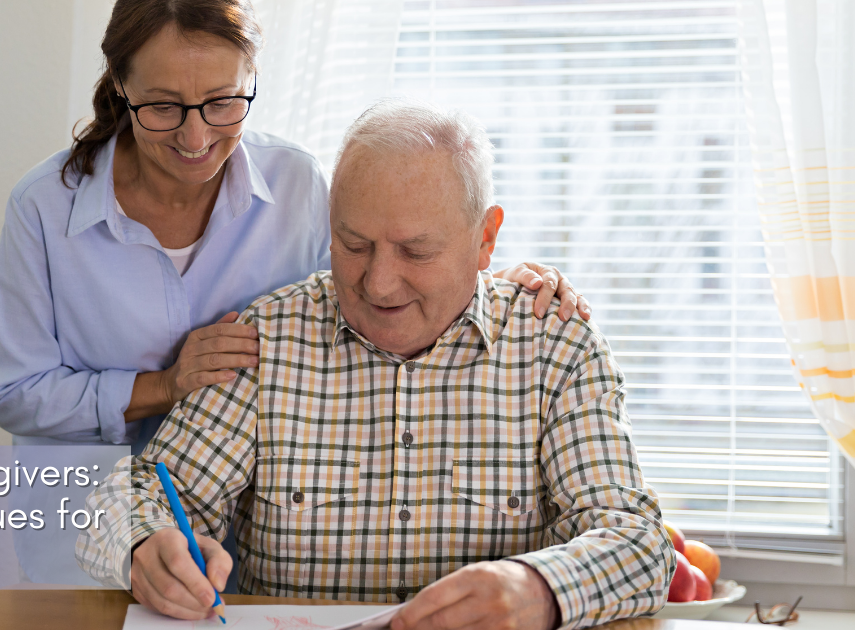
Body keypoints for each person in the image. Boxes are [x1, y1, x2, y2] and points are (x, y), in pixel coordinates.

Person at [76, 100, 672, 630]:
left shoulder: (555, 348)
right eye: (353, 244)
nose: (379, 284)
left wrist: (539, 591)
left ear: (485, 238)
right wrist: (144, 544)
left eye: (417, 251)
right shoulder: (268, 339)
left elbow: (639, 544)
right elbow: (128, 496)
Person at [0, 0, 591, 453]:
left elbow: (366, 299)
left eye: (223, 101)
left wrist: (479, 277)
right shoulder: (44, 207)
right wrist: (165, 384)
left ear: (251, 79)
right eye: (163, 106)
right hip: (90, 526)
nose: (196, 139)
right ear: (120, 83)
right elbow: (14, 394)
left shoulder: (297, 182)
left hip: (248, 532)